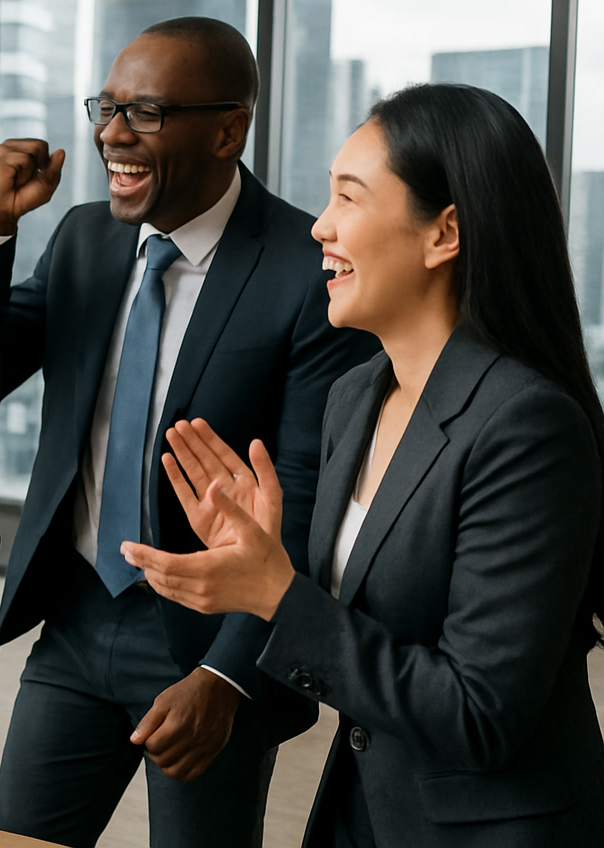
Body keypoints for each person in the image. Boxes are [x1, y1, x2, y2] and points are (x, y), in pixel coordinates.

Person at [124, 83, 604, 847]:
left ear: (444, 233)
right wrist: (266, 563)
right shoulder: (357, 395)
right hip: (365, 817)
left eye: (349, 198)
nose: (320, 227)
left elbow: (480, 714)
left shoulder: (526, 428)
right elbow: (355, 620)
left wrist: (280, 595)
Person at [0, 17, 378, 848]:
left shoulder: (304, 270)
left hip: (208, 635)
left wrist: (227, 674)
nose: (112, 133)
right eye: (107, 107)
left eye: (145, 112)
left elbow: (300, 498)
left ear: (229, 131)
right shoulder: (83, 237)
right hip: (76, 618)